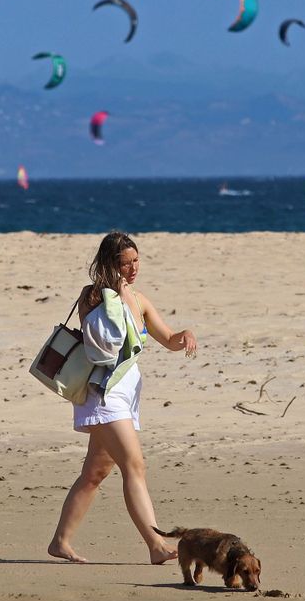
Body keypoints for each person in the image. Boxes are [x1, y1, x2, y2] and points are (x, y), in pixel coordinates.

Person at [48, 231, 198, 565]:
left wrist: (184, 335)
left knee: (94, 474)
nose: (132, 268)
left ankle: (60, 542)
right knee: (134, 465)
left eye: (135, 261)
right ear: (109, 264)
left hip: (126, 394)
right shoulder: (94, 297)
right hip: (103, 394)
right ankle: (156, 545)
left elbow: (167, 338)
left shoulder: (139, 299)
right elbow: (101, 341)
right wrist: (114, 292)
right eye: (124, 263)